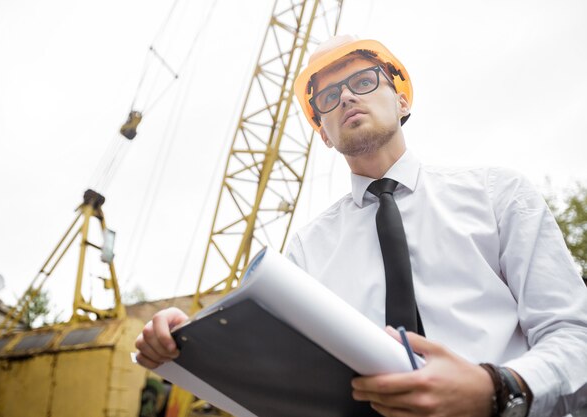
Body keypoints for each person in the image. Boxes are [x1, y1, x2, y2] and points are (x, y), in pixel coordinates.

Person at [135, 35, 587, 417]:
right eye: (329, 96)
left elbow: (574, 334)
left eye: (363, 81)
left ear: (402, 97)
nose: (347, 97)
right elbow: (283, 376)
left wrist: (495, 388)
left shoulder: (498, 196)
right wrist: (188, 343)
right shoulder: (307, 251)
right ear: (323, 133)